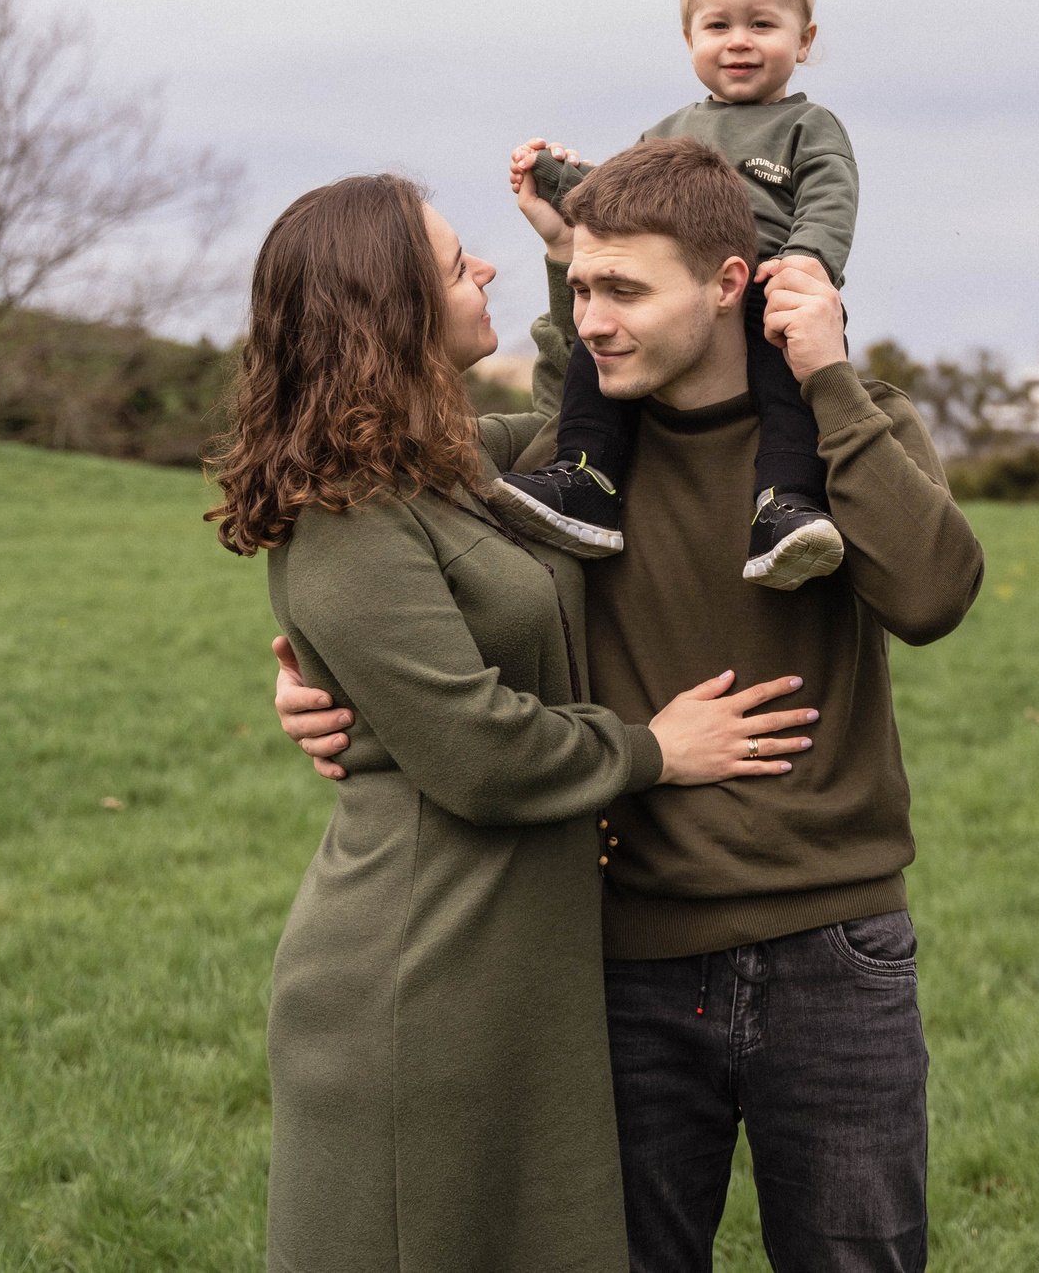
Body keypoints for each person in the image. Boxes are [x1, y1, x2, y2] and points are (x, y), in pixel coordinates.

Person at [277, 141, 985, 1273]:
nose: (591, 320)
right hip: (622, 958)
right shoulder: (572, 462)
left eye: (623, 291)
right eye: (581, 288)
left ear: (727, 283)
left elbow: (934, 596)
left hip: (835, 951)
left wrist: (829, 383)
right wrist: (320, 681)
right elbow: (374, 520)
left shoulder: (848, 428)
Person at [207, 173, 822, 1273]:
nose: (480, 267)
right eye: (457, 265)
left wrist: (567, 261)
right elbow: (481, 753)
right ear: (392, 309)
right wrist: (654, 750)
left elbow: (572, 436)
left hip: (509, 959)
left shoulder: (442, 467)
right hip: (421, 968)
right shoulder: (347, 514)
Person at [485, 0, 859, 591]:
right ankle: (586, 481)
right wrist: (557, 178)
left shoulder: (809, 127)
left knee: (787, 394)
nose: (738, 41)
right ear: (690, 39)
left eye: (762, 24)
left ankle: (785, 508)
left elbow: (831, 197)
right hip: (675, 296)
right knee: (597, 355)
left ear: (803, 41)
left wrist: (808, 262)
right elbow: (619, 203)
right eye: (718, 25)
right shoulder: (667, 133)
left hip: (769, 288)